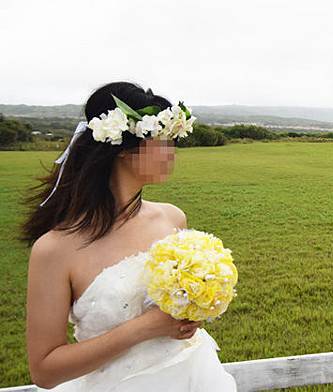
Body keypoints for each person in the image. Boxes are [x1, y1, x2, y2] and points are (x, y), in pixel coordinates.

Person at [18, 81, 238, 391]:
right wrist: (144, 328)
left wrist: (195, 309)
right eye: (162, 140)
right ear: (123, 149)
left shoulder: (172, 218)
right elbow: (44, 370)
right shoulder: (54, 249)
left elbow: (179, 308)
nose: (171, 152)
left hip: (194, 376)